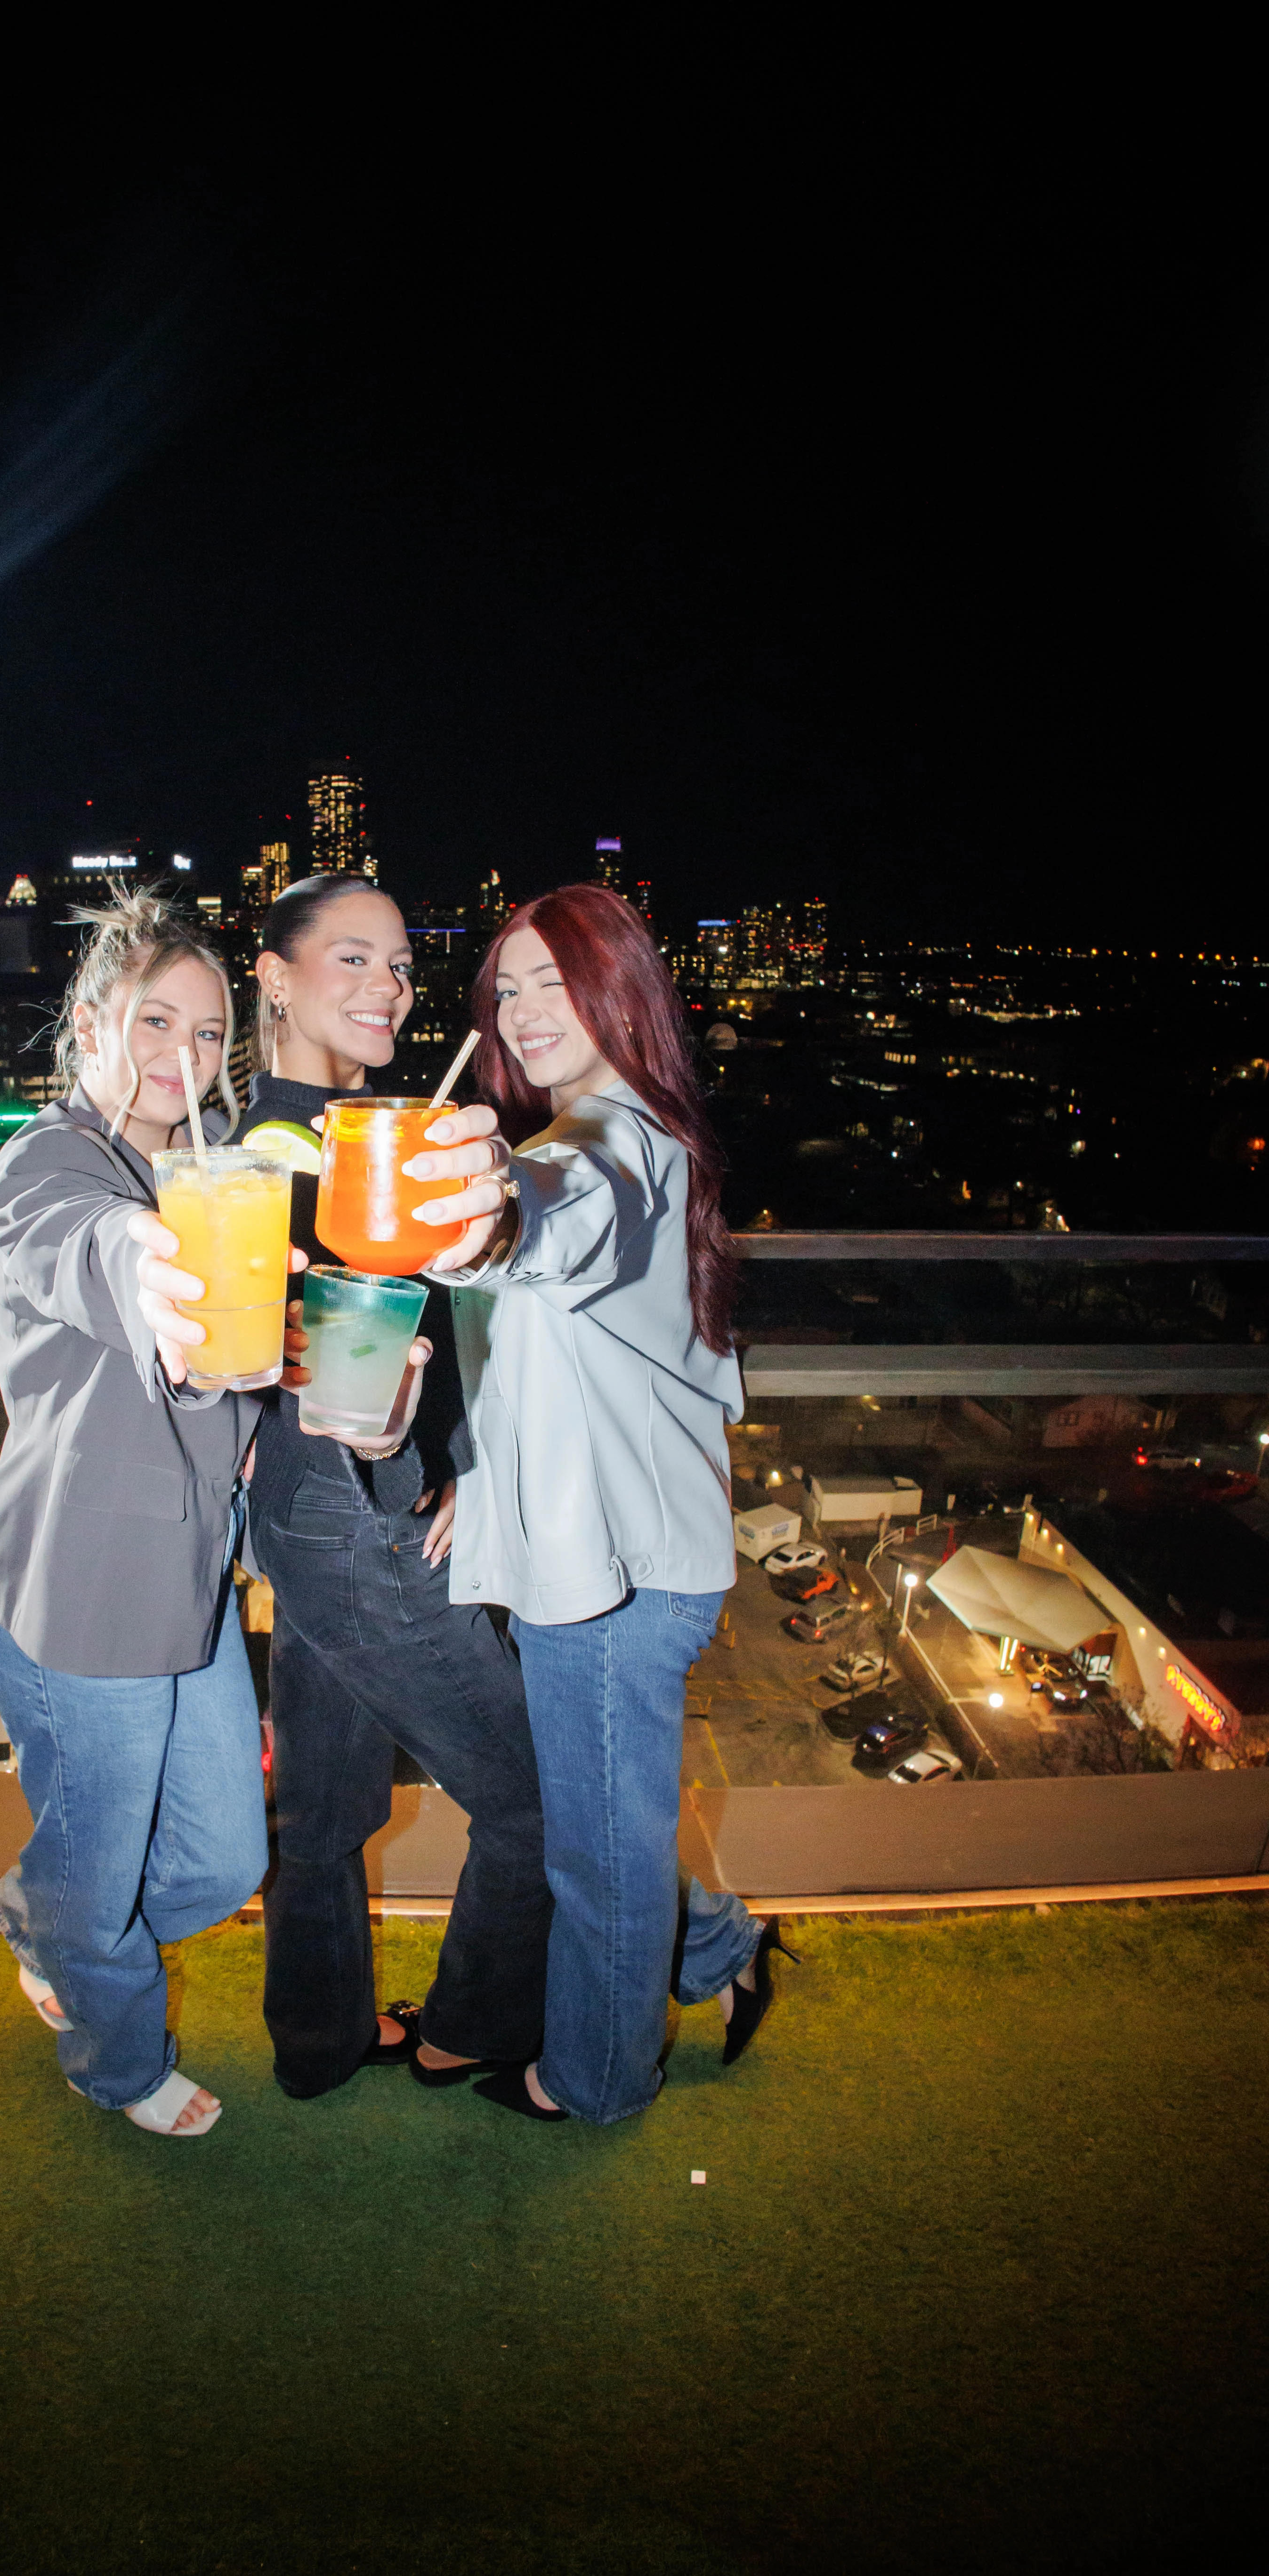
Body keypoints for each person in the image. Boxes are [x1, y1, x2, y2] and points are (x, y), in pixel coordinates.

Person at [139, 871, 552, 2101]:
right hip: (352, 1523)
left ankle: (319, 2045)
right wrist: (397, 1454)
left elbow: (440, 1333)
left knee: (320, 1824)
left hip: (318, 1517)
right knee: (537, 1804)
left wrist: (460, 1460)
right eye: (355, 960)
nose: (391, 987)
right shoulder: (282, 1144)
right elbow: (325, 1377)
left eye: (401, 966)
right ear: (272, 975)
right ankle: (473, 2024)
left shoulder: (375, 1130)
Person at [405, 881, 793, 2125]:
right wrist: (478, 1477)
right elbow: (540, 1354)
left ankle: (594, 2079)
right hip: (594, 1555)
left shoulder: (609, 1146)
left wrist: (485, 1208)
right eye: (505, 987)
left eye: (554, 983)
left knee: (597, 1855)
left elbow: (556, 1220)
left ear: (623, 992)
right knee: (604, 1821)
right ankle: (723, 1953)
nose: (521, 1011)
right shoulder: (589, 1130)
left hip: (618, 1582)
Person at [0, 884, 272, 2140]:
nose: (181, 1059)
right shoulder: (57, 1161)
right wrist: (145, 1257)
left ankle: (45, 1915)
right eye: (153, 1024)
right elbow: (69, 1243)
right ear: (89, 1023)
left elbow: (242, 1376)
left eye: (206, 1035)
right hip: (69, 1598)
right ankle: (118, 2057)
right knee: (99, 1890)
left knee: (227, 1861)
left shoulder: (212, 1167)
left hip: (183, 1593)